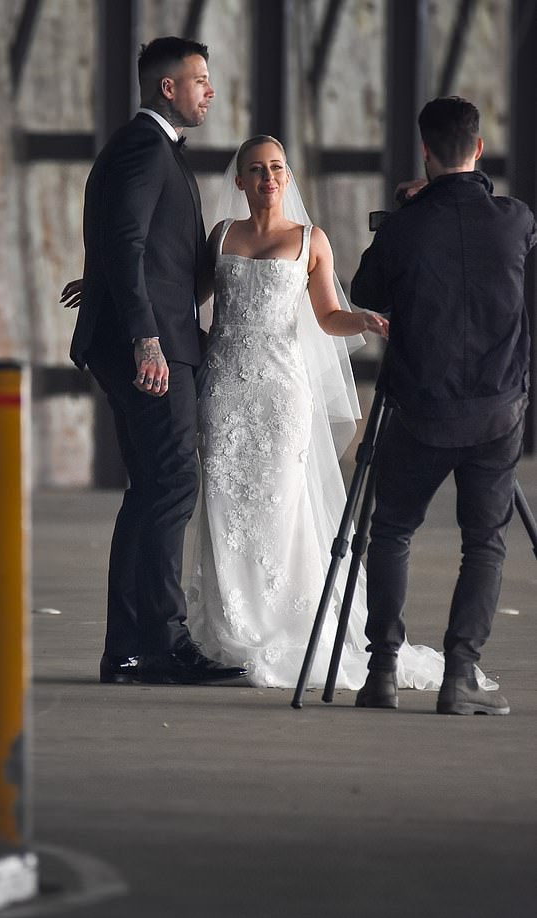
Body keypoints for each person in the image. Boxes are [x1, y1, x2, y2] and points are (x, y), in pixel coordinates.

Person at [186, 135, 428, 690]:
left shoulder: (310, 240)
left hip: (281, 395)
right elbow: (185, 298)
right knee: (223, 501)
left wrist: (361, 320)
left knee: (282, 503)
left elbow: (327, 316)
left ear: (287, 177)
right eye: (256, 169)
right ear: (240, 182)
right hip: (224, 390)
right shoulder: (222, 236)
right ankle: (231, 626)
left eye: (276, 168)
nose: (268, 177)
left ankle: (287, 620)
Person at [66, 36, 246, 686]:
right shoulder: (145, 148)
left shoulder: (140, 147)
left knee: (153, 489)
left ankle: (133, 648)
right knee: (170, 485)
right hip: (156, 347)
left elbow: (136, 247)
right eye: (200, 80)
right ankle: (157, 644)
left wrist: (110, 287)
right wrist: (144, 336)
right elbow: (125, 237)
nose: (210, 90)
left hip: (152, 335)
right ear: (167, 88)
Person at [350, 97, 537, 715]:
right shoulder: (514, 220)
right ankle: (460, 677)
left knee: (393, 532)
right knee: (484, 542)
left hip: (420, 413)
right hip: (496, 413)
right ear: (479, 149)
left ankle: (380, 672)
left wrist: (415, 206)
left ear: (425, 151)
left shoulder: (403, 229)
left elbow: (366, 293)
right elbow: (505, 224)